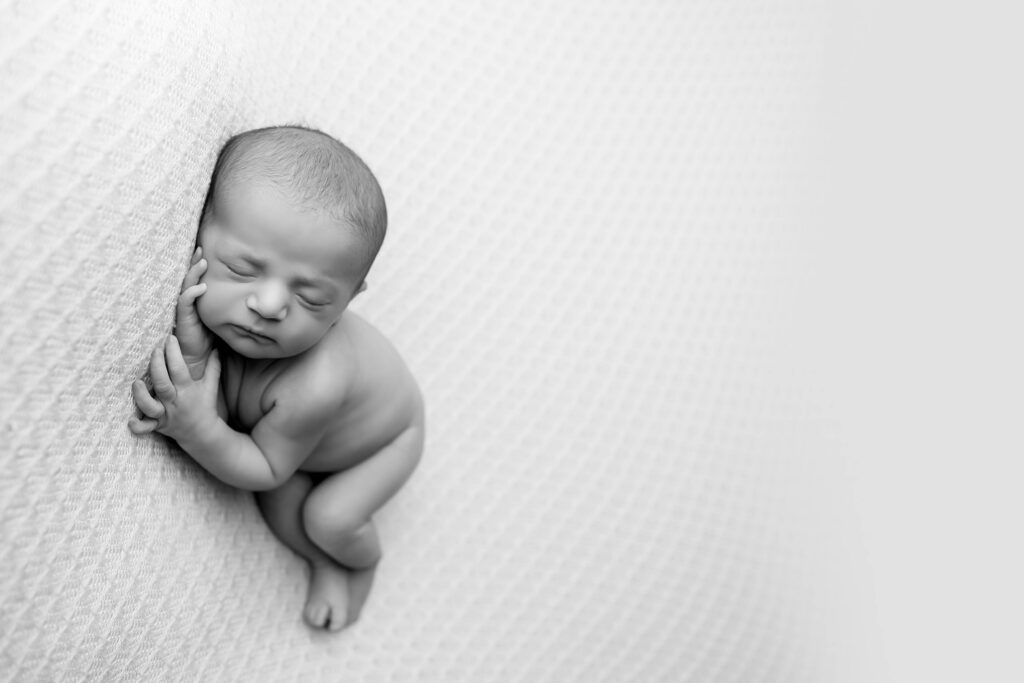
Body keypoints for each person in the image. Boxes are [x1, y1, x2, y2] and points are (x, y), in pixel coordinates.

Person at [129, 125, 425, 632]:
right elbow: (216, 394)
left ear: (348, 301)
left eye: (311, 299)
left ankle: (351, 562)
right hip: (296, 446)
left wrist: (195, 429)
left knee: (326, 517)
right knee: (282, 506)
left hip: (385, 442)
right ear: (199, 233)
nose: (268, 306)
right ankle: (322, 557)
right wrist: (193, 357)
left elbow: (265, 467)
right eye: (242, 269)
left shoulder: (316, 383)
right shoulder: (231, 320)